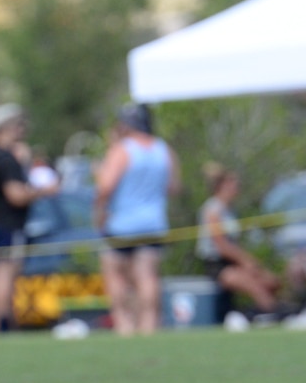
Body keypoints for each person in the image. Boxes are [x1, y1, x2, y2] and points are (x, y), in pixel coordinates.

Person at [95, 102, 179, 335]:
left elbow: (105, 187)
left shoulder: (122, 150)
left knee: (115, 273)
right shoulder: (163, 150)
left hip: (122, 224)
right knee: (148, 275)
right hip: (153, 223)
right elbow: (173, 187)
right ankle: (149, 325)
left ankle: (125, 324)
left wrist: (99, 212)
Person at [0, 104, 51, 333]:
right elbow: (15, 195)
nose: (22, 130)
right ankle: (3, 324)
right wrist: (44, 190)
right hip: (8, 227)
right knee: (5, 275)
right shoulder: (6, 160)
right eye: (19, 125)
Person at [196, 164, 283, 320]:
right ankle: (272, 316)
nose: (237, 187)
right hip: (217, 265)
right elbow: (221, 245)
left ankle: (256, 314)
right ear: (222, 186)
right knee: (255, 287)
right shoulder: (212, 209)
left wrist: (251, 265)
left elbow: (235, 243)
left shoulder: (230, 211)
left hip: (234, 262)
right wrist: (245, 261)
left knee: (270, 281)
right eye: (233, 184)